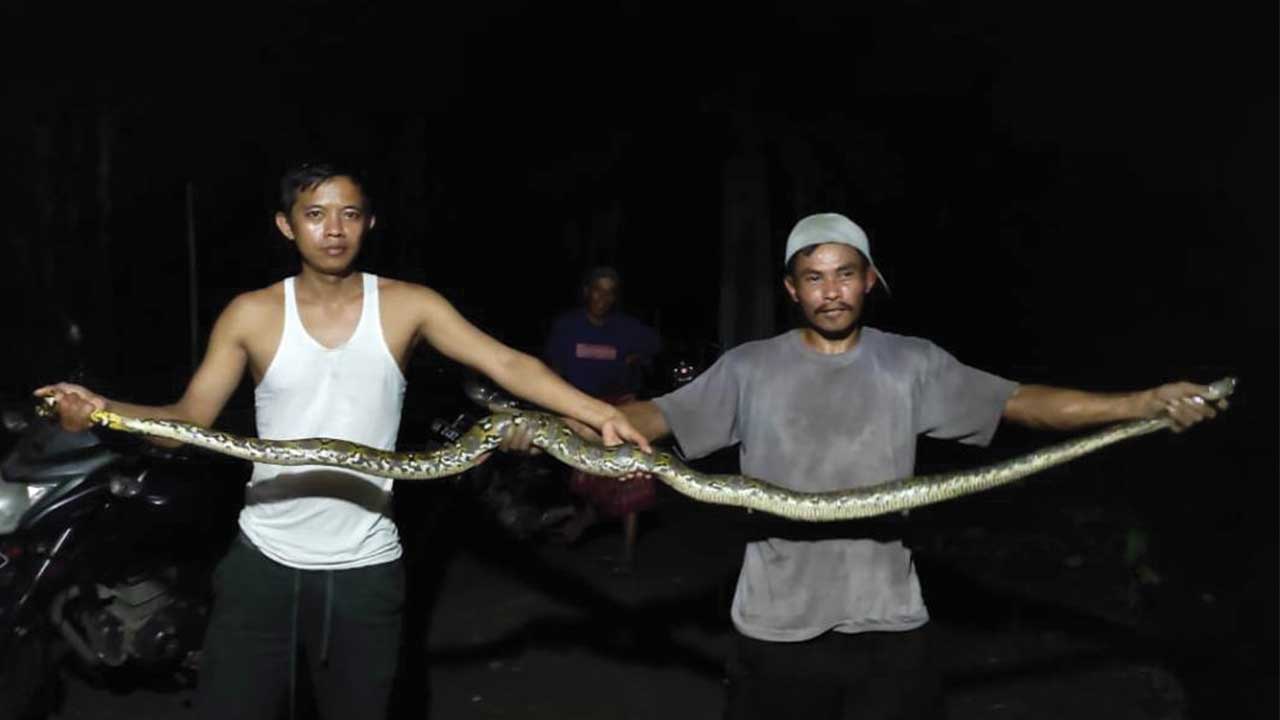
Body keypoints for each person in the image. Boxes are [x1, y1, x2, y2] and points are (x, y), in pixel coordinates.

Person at [35, 162, 650, 720]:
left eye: (348, 214)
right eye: (315, 213)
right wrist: (102, 411)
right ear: (286, 225)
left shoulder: (409, 306)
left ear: (368, 223)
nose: (333, 229)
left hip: (366, 569)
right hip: (262, 566)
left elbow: (509, 365)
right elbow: (186, 422)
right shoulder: (251, 314)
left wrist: (598, 414)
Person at [606, 213, 1224, 719]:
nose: (831, 291)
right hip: (775, 628)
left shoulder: (912, 364)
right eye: (814, 278)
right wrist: (542, 425)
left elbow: (1021, 403)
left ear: (868, 279)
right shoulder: (748, 368)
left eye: (844, 274)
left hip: (890, 624)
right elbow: (649, 419)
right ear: (792, 289)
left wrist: (1140, 404)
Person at [543, 266, 661, 566]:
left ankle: (627, 553)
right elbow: (552, 373)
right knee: (588, 476)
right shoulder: (566, 327)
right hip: (580, 411)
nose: (603, 297)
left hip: (619, 411)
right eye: (598, 289)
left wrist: (638, 360)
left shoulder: (626, 328)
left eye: (610, 292)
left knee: (634, 476)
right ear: (586, 292)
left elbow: (655, 346)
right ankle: (579, 521)